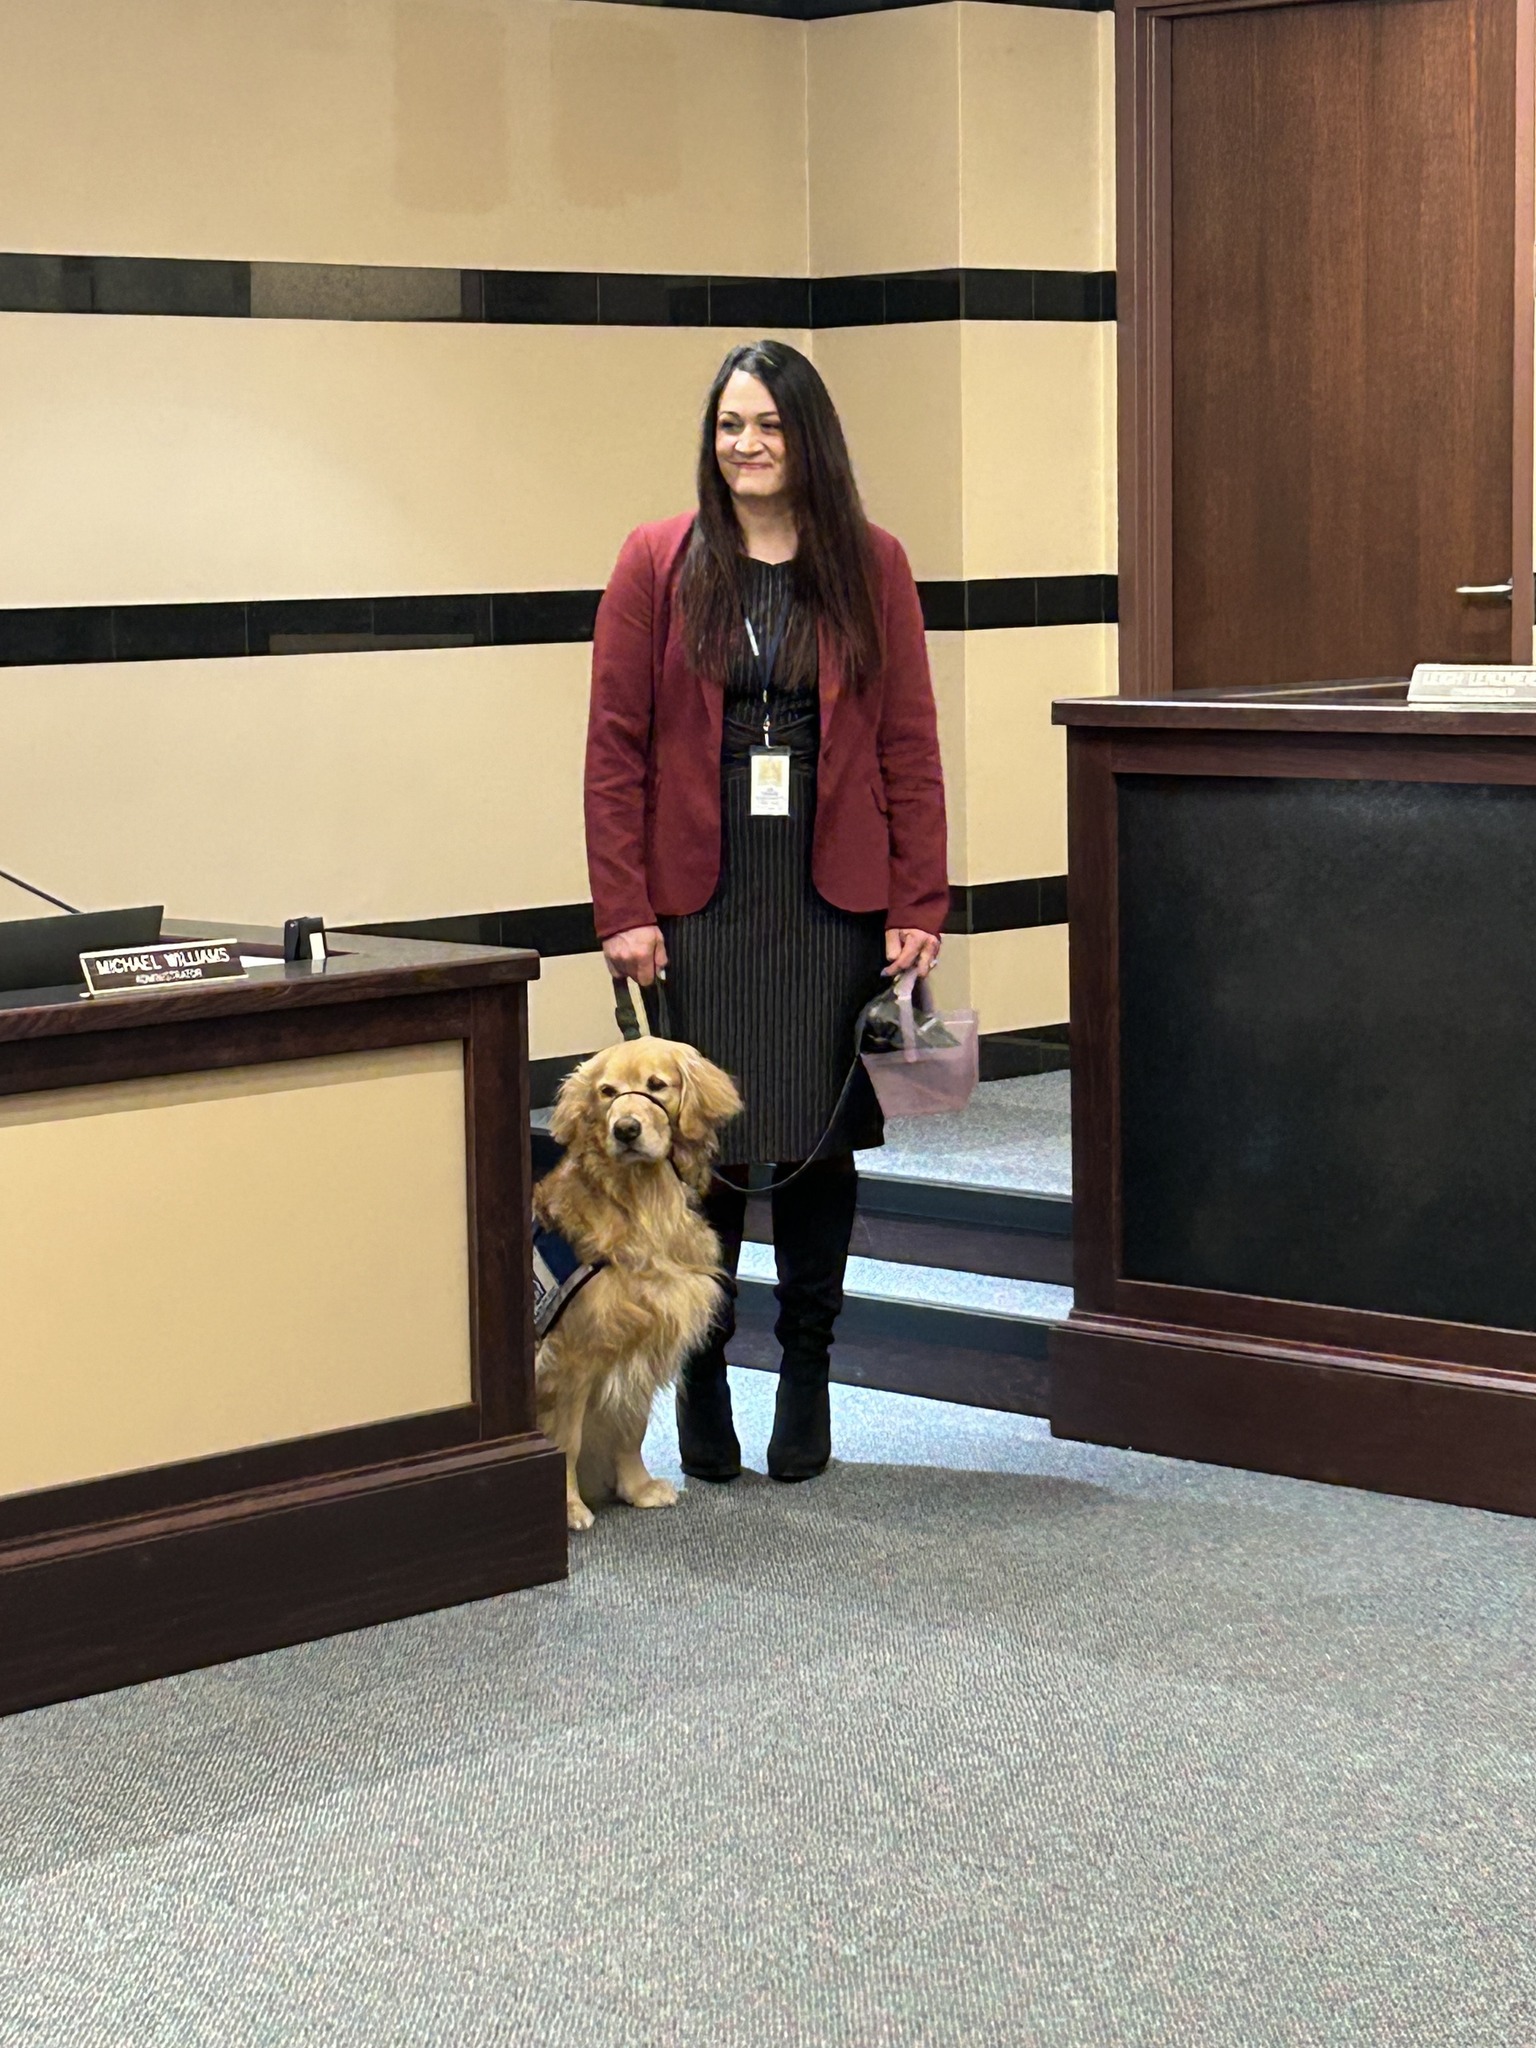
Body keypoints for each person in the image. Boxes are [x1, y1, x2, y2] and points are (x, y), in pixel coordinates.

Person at [584, 339, 948, 1484]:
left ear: (809, 440)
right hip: (701, 897)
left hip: (828, 891)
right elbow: (615, 747)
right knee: (707, 1149)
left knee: (821, 1143)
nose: (745, 445)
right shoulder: (658, 559)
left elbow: (909, 741)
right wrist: (622, 906)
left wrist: (918, 895)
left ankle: (807, 1374)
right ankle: (702, 1371)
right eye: (729, 425)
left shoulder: (870, 563)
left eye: (768, 426)